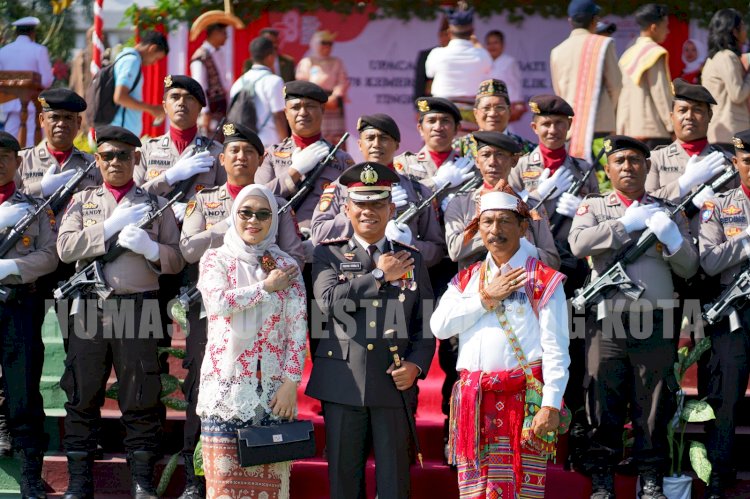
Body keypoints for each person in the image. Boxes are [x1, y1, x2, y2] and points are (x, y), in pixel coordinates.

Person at [56, 125, 184, 499]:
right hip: (90, 309)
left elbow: (177, 258)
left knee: (140, 392)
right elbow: (64, 248)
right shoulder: (82, 201)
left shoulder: (155, 205)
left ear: (137, 159)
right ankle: (80, 481)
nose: (115, 162)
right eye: (108, 155)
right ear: (97, 160)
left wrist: (150, 249)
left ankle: (142, 480)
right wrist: (108, 227)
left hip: (138, 306)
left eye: (123, 155)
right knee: (82, 392)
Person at [178, 122, 304, 499]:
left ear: (274, 220)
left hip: (273, 395)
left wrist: (291, 383)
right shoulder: (216, 259)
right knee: (225, 490)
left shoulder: (287, 266)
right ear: (233, 215)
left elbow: (298, 330)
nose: (253, 221)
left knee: (270, 491)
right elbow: (217, 304)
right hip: (226, 391)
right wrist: (264, 288)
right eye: (245, 212)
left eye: (263, 214)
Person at [568, 136, 699, 499]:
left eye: (636, 160)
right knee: (601, 398)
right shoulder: (594, 206)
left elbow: (689, 268)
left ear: (647, 167)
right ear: (607, 170)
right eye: (620, 161)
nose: (628, 167)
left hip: (655, 321)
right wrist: (625, 224)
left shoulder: (668, 209)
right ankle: (602, 477)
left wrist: (672, 239)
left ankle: (651, 476)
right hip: (607, 322)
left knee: (653, 403)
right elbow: (577, 245)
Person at [306, 161, 435, 499]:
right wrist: (379, 276)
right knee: (344, 484)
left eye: (377, 204)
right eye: (360, 204)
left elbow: (427, 322)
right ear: (346, 209)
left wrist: (416, 365)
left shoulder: (412, 259)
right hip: (343, 382)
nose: (368, 212)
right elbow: (329, 302)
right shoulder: (327, 254)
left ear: (391, 209)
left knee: (394, 484)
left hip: (394, 382)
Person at [431, 188, 570, 499]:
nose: (495, 230)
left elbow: (557, 350)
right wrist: (485, 298)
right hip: (474, 402)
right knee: (475, 492)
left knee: (521, 490)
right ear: (478, 229)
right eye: (488, 222)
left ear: (523, 227)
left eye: (505, 221)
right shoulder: (466, 279)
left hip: (522, 404)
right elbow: (439, 327)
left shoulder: (544, 279)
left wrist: (551, 403)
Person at [0, 131, 58, 498]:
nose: (0, 161)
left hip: (19, 303)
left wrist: (10, 267)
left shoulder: (35, 207)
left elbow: (50, 255)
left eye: (6, 155)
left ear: (18, 162)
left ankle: (31, 472)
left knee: (23, 390)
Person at [311, 113, 446, 268]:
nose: (376, 144)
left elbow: (437, 251)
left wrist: (410, 244)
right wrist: (356, 213)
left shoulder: (418, 192)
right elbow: (318, 235)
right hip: (351, 276)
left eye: (383, 138)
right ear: (360, 144)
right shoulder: (340, 187)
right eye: (370, 138)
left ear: (396, 145)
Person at [698, 128, 750, 499]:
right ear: (736, 163)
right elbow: (708, 260)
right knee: (725, 397)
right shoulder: (717, 205)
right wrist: (746, 241)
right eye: (748, 160)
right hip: (733, 314)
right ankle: (718, 475)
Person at [255, 80, 354, 261]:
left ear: (322, 111)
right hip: (278, 249)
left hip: (327, 253)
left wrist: (321, 238)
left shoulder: (343, 160)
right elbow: (258, 199)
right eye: (295, 107)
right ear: (286, 112)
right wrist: (294, 171)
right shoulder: (271, 155)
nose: (303, 112)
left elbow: (350, 212)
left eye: (310, 106)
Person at [445, 131, 559, 270]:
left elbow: (552, 261)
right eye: (486, 155)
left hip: (524, 281)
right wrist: (501, 233)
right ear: (477, 161)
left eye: (500, 155)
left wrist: (529, 250)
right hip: (476, 284)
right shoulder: (461, 203)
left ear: (514, 161)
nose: (492, 162)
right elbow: (455, 250)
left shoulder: (530, 204)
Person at [136, 75, 225, 213]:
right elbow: (133, 198)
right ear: (165, 106)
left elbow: (229, 200)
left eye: (189, 98)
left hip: (197, 232)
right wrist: (169, 177)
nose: (181, 102)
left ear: (200, 108)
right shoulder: (147, 150)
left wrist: (196, 210)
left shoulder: (216, 152)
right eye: (175, 97)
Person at [550, 0, 621, 162]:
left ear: (570, 21)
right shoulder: (603, 44)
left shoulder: (557, 51)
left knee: (576, 179)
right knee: (603, 183)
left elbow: (558, 92)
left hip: (571, 129)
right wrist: (610, 111)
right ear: (595, 20)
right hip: (601, 125)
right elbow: (616, 86)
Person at [645, 79, 729, 205]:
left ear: (710, 116)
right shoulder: (655, 160)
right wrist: (684, 183)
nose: (689, 116)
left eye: (697, 110)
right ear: (672, 117)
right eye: (682, 110)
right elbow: (646, 203)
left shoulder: (726, 160)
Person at [18, 88, 100, 200]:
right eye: (54, 117)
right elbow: (5, 200)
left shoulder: (94, 165)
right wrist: (41, 189)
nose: (61, 123)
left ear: (78, 122)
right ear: (42, 120)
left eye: (68, 118)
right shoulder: (21, 160)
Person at [616, 4, 673, 149]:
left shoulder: (628, 53)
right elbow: (661, 94)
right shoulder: (655, 52)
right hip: (653, 130)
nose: (668, 31)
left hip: (628, 129)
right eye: (665, 26)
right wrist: (672, 125)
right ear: (654, 28)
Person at [394, 97, 474, 199]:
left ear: (457, 128)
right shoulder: (404, 163)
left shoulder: (468, 165)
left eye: (445, 121)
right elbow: (400, 196)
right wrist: (436, 183)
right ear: (420, 128)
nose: (438, 127)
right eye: (431, 121)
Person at [425, 3, 491, 118]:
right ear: (472, 32)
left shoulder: (437, 54)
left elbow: (429, 73)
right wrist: (477, 44)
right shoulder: (482, 55)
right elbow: (490, 69)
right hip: (471, 114)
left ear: (449, 31)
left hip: (443, 111)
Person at [0, 16, 53, 148]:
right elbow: (47, 81)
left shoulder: (3, 51)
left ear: (16, 33)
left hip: (9, 106)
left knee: (8, 146)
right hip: (33, 107)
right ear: (32, 33)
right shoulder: (39, 50)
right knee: (29, 148)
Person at [702, 8, 750, 149]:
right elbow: (737, 94)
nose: (745, 30)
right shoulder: (726, 56)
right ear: (734, 31)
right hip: (730, 132)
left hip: (722, 132)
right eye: (742, 25)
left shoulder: (716, 57)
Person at [453, 79, 536, 162]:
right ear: (475, 113)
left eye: (499, 107)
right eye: (486, 108)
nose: (492, 114)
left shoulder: (528, 149)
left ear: (509, 112)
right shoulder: (459, 147)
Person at [230, 36, 287, 147]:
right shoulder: (275, 81)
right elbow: (279, 116)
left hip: (243, 144)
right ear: (270, 57)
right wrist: (285, 144)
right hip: (269, 143)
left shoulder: (237, 83)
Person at [110, 31, 169, 137]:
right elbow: (120, 97)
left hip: (121, 133)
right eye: (156, 58)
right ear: (152, 48)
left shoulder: (125, 57)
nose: (154, 63)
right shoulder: (132, 61)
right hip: (121, 135)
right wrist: (152, 109)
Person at [295, 31, 349, 146]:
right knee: (315, 133)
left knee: (336, 137)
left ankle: (337, 161)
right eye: (324, 43)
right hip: (314, 102)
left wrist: (334, 96)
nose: (327, 46)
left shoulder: (336, 62)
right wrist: (318, 100)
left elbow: (343, 81)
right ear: (314, 44)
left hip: (333, 103)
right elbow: (302, 83)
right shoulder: (307, 62)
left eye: (330, 43)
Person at [190, 23, 231, 137]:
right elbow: (199, 86)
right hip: (211, 111)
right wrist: (204, 112)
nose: (226, 37)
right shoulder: (200, 57)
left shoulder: (219, 52)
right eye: (224, 33)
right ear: (215, 33)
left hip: (221, 107)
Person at [484, 31, 527, 123]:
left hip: (504, 104)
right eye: (489, 43)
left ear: (503, 45)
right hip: (486, 104)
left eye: (495, 43)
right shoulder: (483, 61)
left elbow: (516, 84)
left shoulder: (509, 62)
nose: (492, 46)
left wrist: (517, 103)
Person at [413, 16, 450, 102]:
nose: (446, 38)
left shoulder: (462, 55)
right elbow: (420, 85)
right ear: (439, 35)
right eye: (443, 35)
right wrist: (421, 109)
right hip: (433, 103)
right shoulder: (428, 55)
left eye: (448, 35)